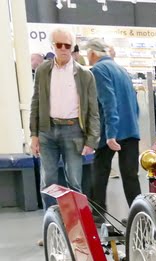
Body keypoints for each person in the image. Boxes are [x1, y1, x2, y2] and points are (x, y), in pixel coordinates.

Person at [30, 27, 100, 244]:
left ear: (72, 47)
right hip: (47, 131)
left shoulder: (85, 75)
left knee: (74, 182)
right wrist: (34, 135)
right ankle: (51, 230)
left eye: (67, 45)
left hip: (73, 131)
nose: (63, 49)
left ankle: (76, 229)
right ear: (52, 46)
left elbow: (93, 110)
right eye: (58, 45)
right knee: (48, 181)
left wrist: (91, 139)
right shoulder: (43, 71)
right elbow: (35, 102)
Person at [85, 38, 141, 223]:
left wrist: (110, 134)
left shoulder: (98, 70)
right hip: (130, 130)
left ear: (92, 53)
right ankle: (139, 215)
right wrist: (133, 124)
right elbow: (134, 102)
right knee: (130, 176)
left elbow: (108, 102)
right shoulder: (121, 70)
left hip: (112, 131)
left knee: (99, 171)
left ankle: (97, 213)